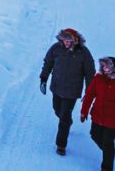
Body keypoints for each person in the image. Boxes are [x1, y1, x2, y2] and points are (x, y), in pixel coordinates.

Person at [39, 28, 95, 156]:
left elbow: (90, 73)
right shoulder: (56, 48)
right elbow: (48, 63)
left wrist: (89, 91)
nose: (67, 43)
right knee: (57, 110)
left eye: (69, 41)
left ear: (75, 40)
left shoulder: (83, 52)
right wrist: (43, 79)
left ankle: (61, 144)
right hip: (57, 88)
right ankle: (67, 121)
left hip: (72, 91)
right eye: (64, 40)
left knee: (64, 116)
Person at [81, 57, 115, 171]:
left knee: (107, 142)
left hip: (114, 120)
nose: (104, 68)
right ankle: (108, 153)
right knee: (94, 135)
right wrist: (84, 111)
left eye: (107, 66)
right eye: (103, 66)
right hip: (98, 115)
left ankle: (107, 167)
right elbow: (90, 95)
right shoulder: (98, 78)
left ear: (114, 68)